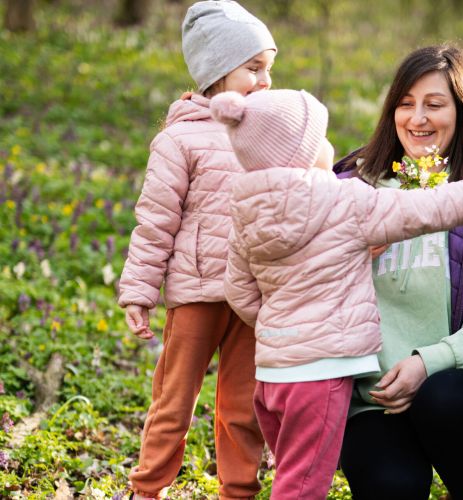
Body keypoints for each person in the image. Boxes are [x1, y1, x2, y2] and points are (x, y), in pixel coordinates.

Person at [209, 87, 463, 498]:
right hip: (319, 376)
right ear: (301, 153)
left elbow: (239, 290)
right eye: (319, 138)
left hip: (270, 376)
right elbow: (421, 211)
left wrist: (280, 323)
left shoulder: (245, 210)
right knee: (302, 487)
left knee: (290, 471)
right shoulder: (345, 200)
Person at [333, 45, 463, 500]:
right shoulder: (348, 188)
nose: (417, 118)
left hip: (455, 387)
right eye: (405, 103)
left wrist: (427, 363)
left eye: (434, 104)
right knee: (392, 488)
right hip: (369, 399)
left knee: (442, 400)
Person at [116, 2, 275, 498]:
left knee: (243, 406)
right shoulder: (179, 139)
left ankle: (238, 490)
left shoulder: (268, 135)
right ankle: (147, 487)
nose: (265, 81)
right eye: (253, 69)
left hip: (252, 298)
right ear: (215, 71)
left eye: (270, 69)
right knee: (174, 398)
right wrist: (139, 291)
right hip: (194, 296)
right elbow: (155, 223)